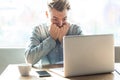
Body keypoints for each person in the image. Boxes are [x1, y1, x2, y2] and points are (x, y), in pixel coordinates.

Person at [25, 0, 82, 67]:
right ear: (47, 14)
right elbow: (29, 60)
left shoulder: (75, 30)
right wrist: (51, 39)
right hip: (47, 76)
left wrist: (64, 42)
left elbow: (85, 57)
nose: (60, 24)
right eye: (55, 19)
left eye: (64, 19)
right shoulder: (39, 31)